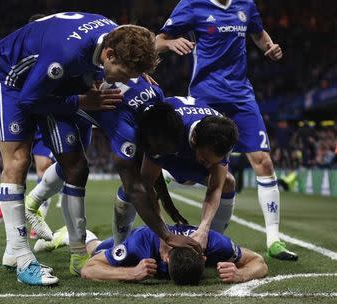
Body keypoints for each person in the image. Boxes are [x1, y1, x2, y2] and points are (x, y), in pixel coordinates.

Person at [0, 12, 159, 285]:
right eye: (125, 74)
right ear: (109, 55)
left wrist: (138, 73)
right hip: (9, 79)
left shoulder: (116, 36)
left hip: (54, 81)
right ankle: (21, 256)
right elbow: (30, 100)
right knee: (18, 160)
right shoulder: (64, 55)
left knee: (77, 166)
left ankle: (66, 253)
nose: (126, 81)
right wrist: (80, 102)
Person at [156, 0, 297, 260]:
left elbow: (259, 33)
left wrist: (270, 47)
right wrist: (170, 43)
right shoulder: (191, 5)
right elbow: (157, 41)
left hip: (241, 96)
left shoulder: (247, 5)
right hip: (206, 95)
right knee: (212, 170)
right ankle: (168, 173)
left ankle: (274, 240)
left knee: (264, 162)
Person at [24, 77, 202, 276]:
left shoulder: (157, 100)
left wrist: (170, 208)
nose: (158, 154)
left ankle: (38, 207)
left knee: (73, 165)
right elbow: (135, 189)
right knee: (77, 169)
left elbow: (154, 161)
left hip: (91, 106)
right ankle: (76, 253)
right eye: (158, 149)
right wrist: (167, 236)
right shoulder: (125, 130)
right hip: (62, 99)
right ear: (146, 136)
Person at [137, 98, 238, 251]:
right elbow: (147, 184)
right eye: (205, 158)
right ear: (194, 138)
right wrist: (163, 236)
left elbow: (216, 187)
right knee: (134, 187)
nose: (209, 165)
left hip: (190, 158)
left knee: (228, 182)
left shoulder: (223, 135)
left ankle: (211, 239)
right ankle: (119, 240)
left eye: (213, 161)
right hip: (170, 153)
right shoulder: (167, 130)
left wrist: (203, 230)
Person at [38, 224, 268, 284]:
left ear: (204, 257)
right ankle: (68, 236)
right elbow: (89, 268)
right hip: (136, 236)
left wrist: (242, 275)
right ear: (165, 258)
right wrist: (132, 273)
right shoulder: (140, 245)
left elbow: (258, 261)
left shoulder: (213, 242)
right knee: (95, 247)